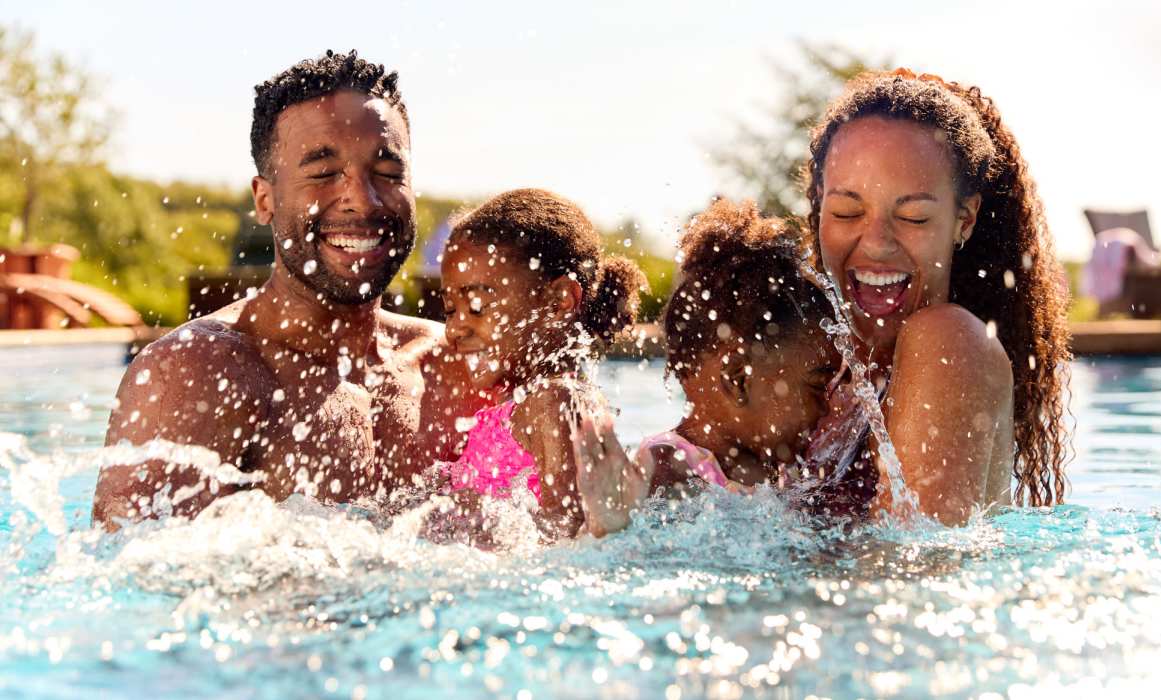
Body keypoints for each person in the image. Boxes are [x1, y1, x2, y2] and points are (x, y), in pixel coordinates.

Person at [91, 51, 483, 528]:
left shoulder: (456, 365)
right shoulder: (198, 373)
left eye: (387, 173)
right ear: (264, 198)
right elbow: (131, 581)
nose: (362, 199)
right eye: (322, 173)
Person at [803, 68, 1071, 524]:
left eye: (913, 217)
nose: (876, 243)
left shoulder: (948, 341)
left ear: (964, 220)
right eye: (848, 211)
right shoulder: (823, 363)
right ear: (818, 204)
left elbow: (911, 570)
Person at [573, 199, 842, 535]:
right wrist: (613, 529)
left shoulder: (781, 472)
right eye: (818, 386)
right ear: (738, 380)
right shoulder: (666, 469)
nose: (828, 407)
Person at [437, 188, 647, 539]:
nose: (454, 327)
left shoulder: (554, 401)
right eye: (449, 310)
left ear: (560, 300)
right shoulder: (526, 400)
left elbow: (565, 534)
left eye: (476, 306)